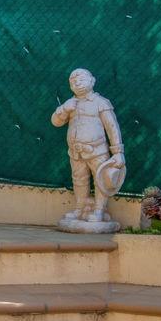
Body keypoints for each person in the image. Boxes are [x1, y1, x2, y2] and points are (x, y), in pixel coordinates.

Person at [51, 68, 125, 228]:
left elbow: (112, 128)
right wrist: (64, 109)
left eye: (81, 80)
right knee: (79, 180)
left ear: (92, 81)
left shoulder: (101, 103)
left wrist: (118, 152)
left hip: (97, 151)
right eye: (73, 82)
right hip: (75, 152)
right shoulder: (71, 104)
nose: (77, 83)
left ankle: (99, 210)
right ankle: (79, 209)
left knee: (101, 180)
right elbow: (56, 122)